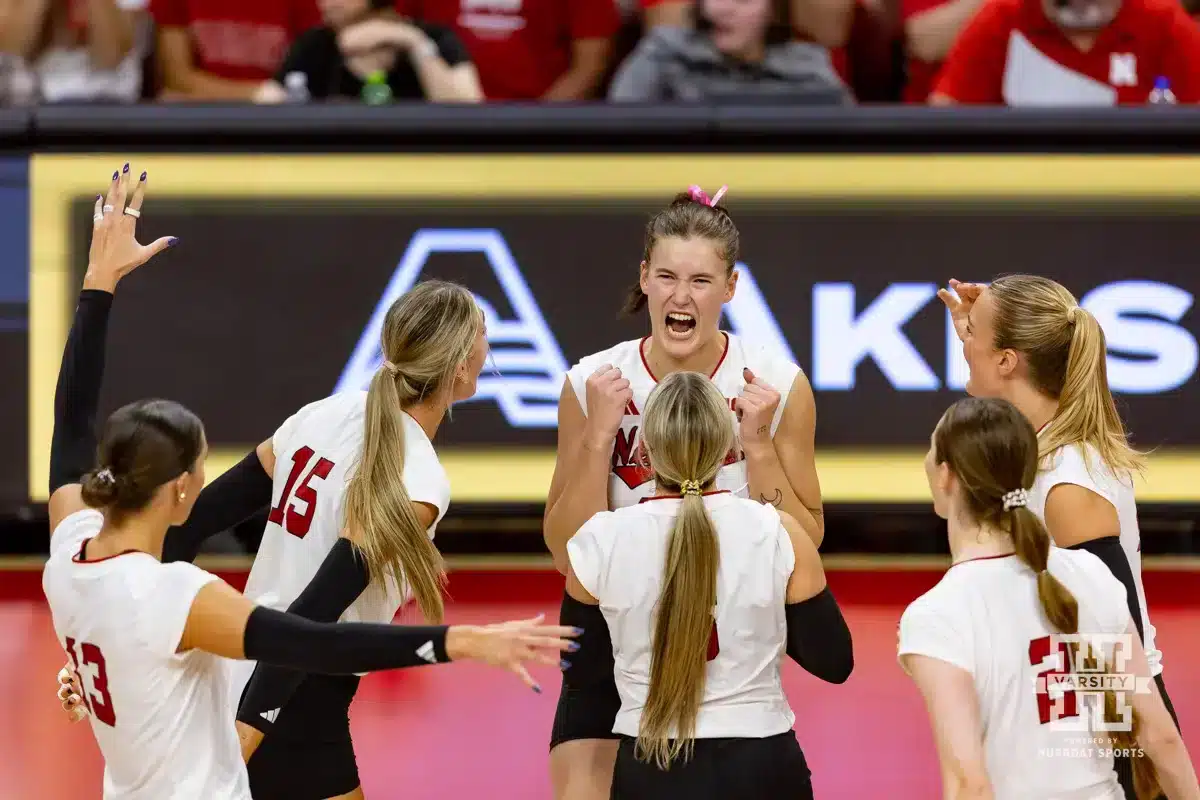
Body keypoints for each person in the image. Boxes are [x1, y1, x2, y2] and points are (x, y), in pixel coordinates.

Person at [45, 166, 580, 800]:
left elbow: (190, 524)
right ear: (465, 365)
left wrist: (108, 632)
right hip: (296, 682)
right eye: (486, 338)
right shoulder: (421, 478)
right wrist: (257, 721)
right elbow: (316, 613)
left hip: (235, 661)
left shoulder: (322, 414)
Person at [542, 185, 825, 800]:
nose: (680, 295)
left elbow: (809, 538)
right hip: (615, 643)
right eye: (666, 275)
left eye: (701, 280)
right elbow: (567, 550)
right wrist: (597, 435)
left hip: (730, 657)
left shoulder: (776, 385)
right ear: (643, 278)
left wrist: (762, 447)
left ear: (731, 287)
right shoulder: (593, 382)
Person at [939, 274, 1180, 798]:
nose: (962, 342)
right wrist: (981, 341)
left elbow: (1120, 649)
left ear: (1008, 361)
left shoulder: (1066, 486)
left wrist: (1120, 758)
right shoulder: (1046, 448)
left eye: (971, 334)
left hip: (1111, 727)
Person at [564, 371, 852, 800]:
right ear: (728, 451)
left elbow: (582, 672)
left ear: (643, 453)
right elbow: (833, 662)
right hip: (763, 766)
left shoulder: (598, 539)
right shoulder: (780, 532)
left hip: (652, 769)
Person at [898, 396, 1198, 799]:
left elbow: (970, 785)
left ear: (946, 476)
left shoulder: (937, 615)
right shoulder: (1093, 575)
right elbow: (1160, 738)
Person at [608, 0, 850, 104]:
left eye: (742, 0)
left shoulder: (808, 70)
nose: (722, 9)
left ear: (773, 11)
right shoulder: (662, 54)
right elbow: (617, 127)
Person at [254, 0, 483, 104]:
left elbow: (467, 108)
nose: (326, 3)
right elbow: (269, 100)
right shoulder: (314, 44)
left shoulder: (433, 37)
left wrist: (414, 43)